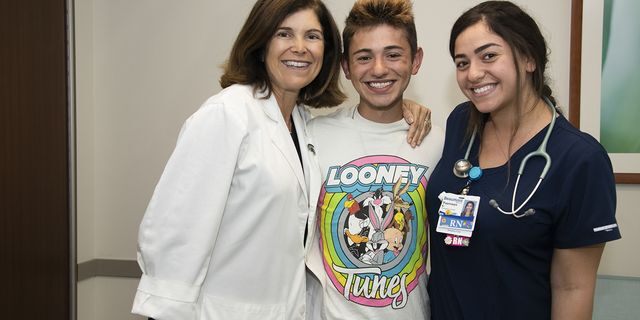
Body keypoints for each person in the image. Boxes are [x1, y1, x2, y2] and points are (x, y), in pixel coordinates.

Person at [131, 0, 431, 319]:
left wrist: (403, 109)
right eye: (285, 34)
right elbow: (175, 236)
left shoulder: (303, 126)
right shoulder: (227, 114)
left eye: (312, 36)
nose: (299, 47)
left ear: (326, 53)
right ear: (261, 44)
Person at [426, 1, 621, 319]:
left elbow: (572, 289)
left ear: (529, 57)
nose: (473, 73)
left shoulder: (580, 161)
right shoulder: (462, 123)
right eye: (462, 63)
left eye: (488, 56)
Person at [305, 0, 444, 318]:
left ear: (415, 60)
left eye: (393, 54)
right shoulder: (314, 135)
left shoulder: (437, 142)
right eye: (364, 57)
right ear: (346, 66)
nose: (379, 69)